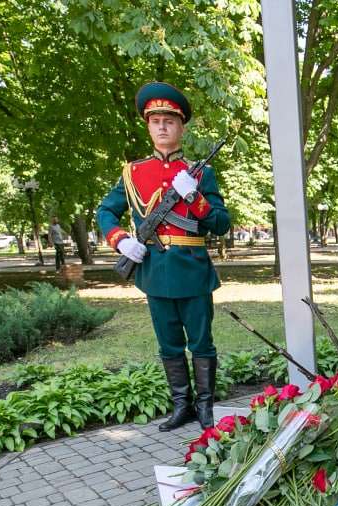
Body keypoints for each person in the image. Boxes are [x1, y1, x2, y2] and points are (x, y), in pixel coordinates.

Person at [97, 81, 231, 431]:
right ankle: (181, 406)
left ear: (181, 126)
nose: (161, 126)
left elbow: (221, 223)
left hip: (192, 270)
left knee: (201, 342)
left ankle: (205, 408)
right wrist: (121, 240)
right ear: (148, 125)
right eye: (155, 120)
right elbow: (105, 213)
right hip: (155, 271)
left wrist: (196, 200)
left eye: (169, 120)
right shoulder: (134, 173)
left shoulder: (202, 173)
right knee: (169, 344)